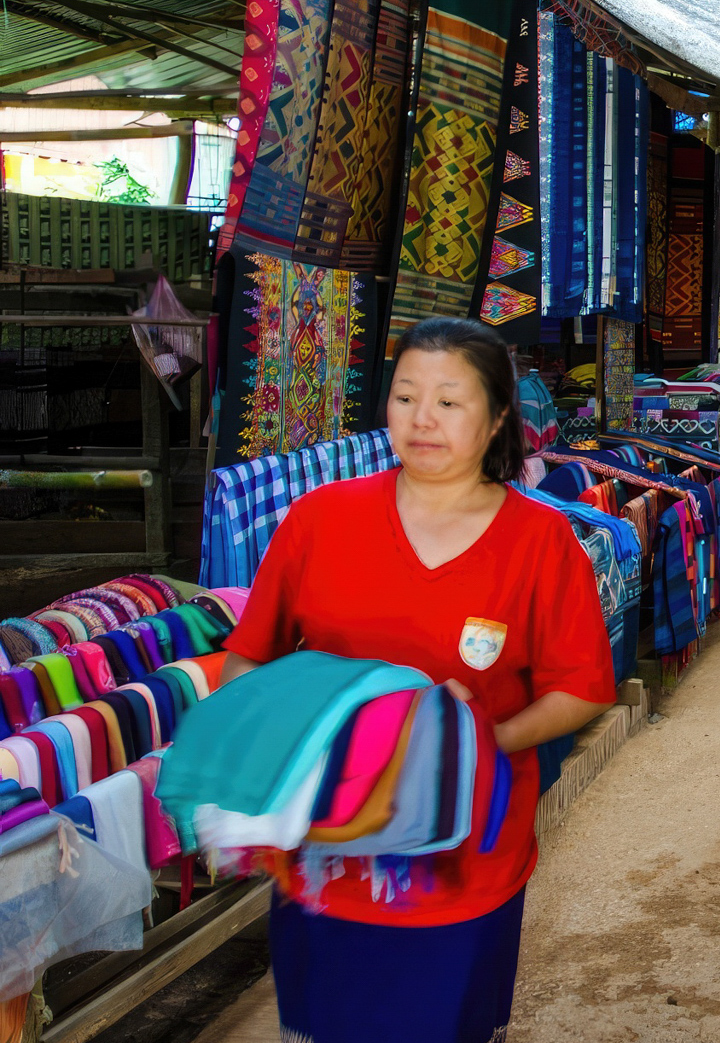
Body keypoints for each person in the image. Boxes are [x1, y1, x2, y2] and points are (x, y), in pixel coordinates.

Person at [217, 317, 616, 1043]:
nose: (421, 419)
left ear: (498, 418)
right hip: (326, 850)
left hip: (466, 858)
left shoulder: (540, 541)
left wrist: (472, 742)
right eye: (405, 397)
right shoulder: (319, 521)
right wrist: (274, 739)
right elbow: (249, 659)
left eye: (449, 401)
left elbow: (582, 687)